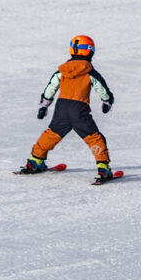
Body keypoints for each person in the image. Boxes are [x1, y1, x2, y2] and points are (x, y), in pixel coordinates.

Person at [19, 35, 115, 179]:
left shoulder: (62, 71)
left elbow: (51, 87)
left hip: (62, 108)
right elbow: (102, 89)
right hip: (79, 109)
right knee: (94, 138)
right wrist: (107, 102)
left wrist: (44, 105)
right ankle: (103, 168)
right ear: (90, 51)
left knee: (51, 134)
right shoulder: (89, 72)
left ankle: (35, 161)